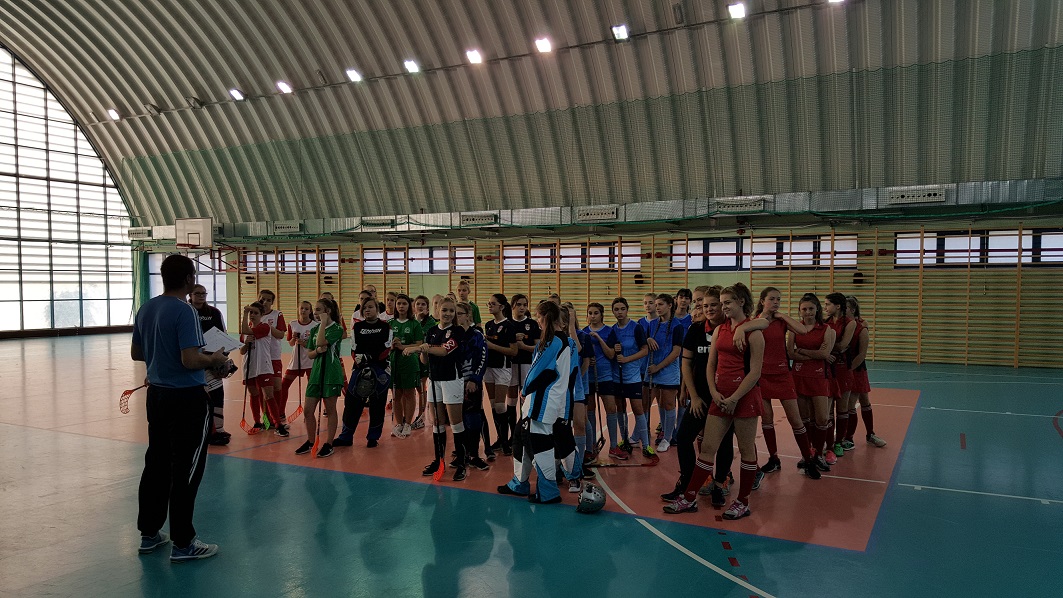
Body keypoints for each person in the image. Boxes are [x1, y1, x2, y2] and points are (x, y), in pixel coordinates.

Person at [132, 254, 226, 561]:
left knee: (157, 463)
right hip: (186, 400)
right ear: (188, 279)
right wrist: (215, 360)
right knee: (186, 470)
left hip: (157, 396)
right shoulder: (185, 311)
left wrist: (162, 360)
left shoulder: (147, 308)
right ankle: (184, 543)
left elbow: (137, 353)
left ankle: (149, 533)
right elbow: (190, 359)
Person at [664, 283, 764, 520]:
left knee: (746, 450)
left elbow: (755, 372)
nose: (723, 307)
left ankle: (742, 502)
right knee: (707, 449)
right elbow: (711, 365)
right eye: (722, 302)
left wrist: (734, 398)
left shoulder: (754, 333)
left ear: (741, 302)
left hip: (744, 398)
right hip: (719, 397)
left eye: (726, 302)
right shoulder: (720, 330)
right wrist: (713, 392)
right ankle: (689, 497)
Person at [497, 301, 574, 504]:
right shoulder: (561, 340)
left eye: (539, 317)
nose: (537, 321)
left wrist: (526, 388)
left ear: (545, 317)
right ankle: (520, 482)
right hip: (541, 401)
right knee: (520, 439)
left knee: (540, 445)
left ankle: (549, 492)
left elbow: (539, 370)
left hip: (542, 402)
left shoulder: (554, 341)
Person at [737, 287, 814, 483]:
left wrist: (781, 315)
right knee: (767, 419)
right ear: (762, 301)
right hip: (761, 376)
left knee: (796, 419)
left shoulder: (781, 321)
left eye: (778, 299)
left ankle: (808, 459)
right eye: (772, 299)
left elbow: (803, 330)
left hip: (782, 375)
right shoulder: (755, 322)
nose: (776, 302)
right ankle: (773, 459)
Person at [406, 298, 467, 481]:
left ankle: (461, 462)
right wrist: (423, 351)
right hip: (434, 380)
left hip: (452, 380)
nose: (447, 314)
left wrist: (419, 348)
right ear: (438, 310)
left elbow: (444, 351)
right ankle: (438, 460)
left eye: (451, 311)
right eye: (444, 310)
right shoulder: (432, 331)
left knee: (455, 423)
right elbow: (425, 360)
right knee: (437, 422)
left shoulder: (457, 331)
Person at [334, 297, 393, 448]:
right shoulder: (357, 327)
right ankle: (346, 437)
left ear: (377, 310)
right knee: (352, 401)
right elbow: (354, 348)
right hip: (360, 368)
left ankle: (373, 437)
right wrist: (360, 360)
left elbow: (387, 348)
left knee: (377, 403)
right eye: (364, 308)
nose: (367, 310)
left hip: (380, 368)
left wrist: (370, 358)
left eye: (370, 307)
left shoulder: (385, 326)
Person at [788, 293, 836, 474]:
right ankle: (808, 453)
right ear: (799, 310)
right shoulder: (794, 328)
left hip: (818, 377)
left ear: (817, 309)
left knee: (822, 418)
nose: (807, 312)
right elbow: (790, 353)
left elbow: (824, 354)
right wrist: (813, 354)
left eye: (811, 309)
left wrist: (801, 350)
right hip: (799, 376)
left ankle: (819, 453)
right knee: (804, 418)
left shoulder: (826, 329)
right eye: (804, 309)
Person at [294, 298, 345, 458]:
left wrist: (323, 323)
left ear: (327, 311)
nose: (314, 313)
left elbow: (322, 341)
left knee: (330, 410)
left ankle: (329, 443)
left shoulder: (337, 328)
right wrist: (316, 351)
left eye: (318, 310)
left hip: (331, 373)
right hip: (316, 373)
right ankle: (310, 441)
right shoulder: (315, 329)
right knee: (308, 411)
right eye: (314, 310)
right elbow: (310, 352)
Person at [188, 284, 230, 446]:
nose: (201, 296)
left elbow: (223, 335)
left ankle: (218, 430)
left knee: (218, 396)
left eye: (203, 293)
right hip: (194, 362)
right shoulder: (186, 312)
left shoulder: (214, 312)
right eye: (197, 293)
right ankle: (206, 431)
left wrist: (223, 356)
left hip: (212, 361)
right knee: (201, 400)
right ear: (190, 295)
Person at [612, 297, 653, 462]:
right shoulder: (612, 330)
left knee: (638, 409)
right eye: (616, 309)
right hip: (617, 376)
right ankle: (625, 440)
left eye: (622, 309)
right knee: (620, 408)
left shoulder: (636, 327)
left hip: (633, 376)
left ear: (627, 309)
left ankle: (646, 445)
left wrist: (627, 359)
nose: (620, 312)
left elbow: (645, 350)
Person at [846, 296, 887, 448]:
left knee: (860, 401)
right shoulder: (840, 325)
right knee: (852, 403)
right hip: (846, 368)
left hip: (856, 368)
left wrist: (849, 369)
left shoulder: (861, 326)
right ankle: (851, 437)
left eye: (845, 307)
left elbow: (861, 354)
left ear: (853, 309)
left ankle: (865, 435)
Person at [646, 293, 684, 452]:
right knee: (660, 403)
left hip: (668, 371)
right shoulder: (652, 324)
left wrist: (658, 367)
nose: (657, 307)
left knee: (668, 403)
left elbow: (676, 352)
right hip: (654, 370)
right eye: (656, 305)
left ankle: (668, 438)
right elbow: (645, 342)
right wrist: (648, 339)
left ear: (670, 305)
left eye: (660, 304)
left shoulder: (677, 326)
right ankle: (664, 432)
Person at [240, 302, 286, 435]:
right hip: (249, 367)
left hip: (263, 366)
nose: (252, 315)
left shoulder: (265, 327)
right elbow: (242, 351)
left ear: (261, 315)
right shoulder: (246, 332)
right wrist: (246, 343)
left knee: (268, 395)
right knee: (253, 394)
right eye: (251, 312)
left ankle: (278, 424)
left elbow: (245, 330)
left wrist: (244, 313)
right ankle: (257, 422)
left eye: (255, 313)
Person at [456, 302, 491, 471]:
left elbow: (482, 358)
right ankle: (461, 454)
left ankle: (474, 455)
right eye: (455, 313)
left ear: (468, 315)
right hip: (454, 383)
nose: (457, 317)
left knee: (473, 419)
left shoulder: (476, 335)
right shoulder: (451, 335)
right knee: (458, 420)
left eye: (460, 313)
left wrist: (475, 379)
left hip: (470, 383)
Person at [483, 294, 517, 459]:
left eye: (493, 304)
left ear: (502, 307)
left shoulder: (509, 326)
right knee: (492, 405)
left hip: (502, 368)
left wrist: (492, 346)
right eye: (488, 303)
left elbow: (513, 351)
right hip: (489, 368)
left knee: (500, 405)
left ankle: (506, 442)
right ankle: (499, 439)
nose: (490, 306)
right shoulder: (488, 325)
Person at [505, 294, 540, 457]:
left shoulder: (532, 324)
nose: (522, 307)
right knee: (511, 400)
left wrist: (523, 346)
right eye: (519, 304)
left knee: (526, 400)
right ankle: (513, 435)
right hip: (510, 364)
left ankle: (527, 433)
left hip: (527, 364)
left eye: (525, 305)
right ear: (512, 306)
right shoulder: (507, 323)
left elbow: (537, 348)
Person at [824, 292, 858, 462]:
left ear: (837, 306)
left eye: (827, 304)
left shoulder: (850, 323)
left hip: (844, 368)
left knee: (842, 407)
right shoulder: (826, 322)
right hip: (829, 367)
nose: (825, 307)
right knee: (828, 409)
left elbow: (844, 345)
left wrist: (827, 347)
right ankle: (829, 444)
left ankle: (839, 442)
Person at [583, 303, 617, 458]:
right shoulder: (583, 332)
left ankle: (614, 446)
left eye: (596, 313)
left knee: (611, 408)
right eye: (590, 313)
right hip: (589, 376)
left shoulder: (609, 331)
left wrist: (598, 339)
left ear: (601, 314)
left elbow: (611, 354)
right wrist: (587, 360)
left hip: (605, 375)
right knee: (590, 410)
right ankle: (591, 446)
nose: (592, 316)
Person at [389, 294, 423, 438]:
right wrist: (391, 346)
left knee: (409, 393)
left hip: (409, 362)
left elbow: (419, 344)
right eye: (399, 303)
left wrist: (403, 347)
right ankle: (399, 423)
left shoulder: (414, 324)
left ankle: (408, 423)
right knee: (396, 394)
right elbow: (384, 344)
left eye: (404, 303)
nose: (401, 306)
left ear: (409, 306)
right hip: (394, 362)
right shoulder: (390, 323)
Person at [279, 301, 315, 423]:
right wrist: (294, 339)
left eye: (306, 309)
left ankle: (309, 413)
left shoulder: (316, 325)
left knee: (312, 388)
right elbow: (290, 343)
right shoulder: (292, 324)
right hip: (296, 360)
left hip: (310, 360)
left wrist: (305, 343)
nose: (303, 311)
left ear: (310, 311)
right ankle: (280, 412)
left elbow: (316, 344)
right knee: (284, 385)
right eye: (301, 308)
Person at [256, 290, 287, 422]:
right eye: (262, 299)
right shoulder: (255, 314)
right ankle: (266, 418)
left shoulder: (277, 314)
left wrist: (268, 327)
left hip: (274, 356)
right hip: (260, 357)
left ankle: (277, 416)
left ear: (272, 302)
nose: (265, 302)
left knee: (277, 386)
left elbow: (280, 335)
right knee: (263, 389)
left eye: (268, 300)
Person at [412, 295, 437, 430]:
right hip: (412, 359)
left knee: (422, 386)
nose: (420, 306)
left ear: (427, 308)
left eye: (423, 304)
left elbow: (424, 341)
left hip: (424, 359)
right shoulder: (412, 321)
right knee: (413, 388)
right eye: (418, 304)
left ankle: (421, 416)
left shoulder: (430, 323)